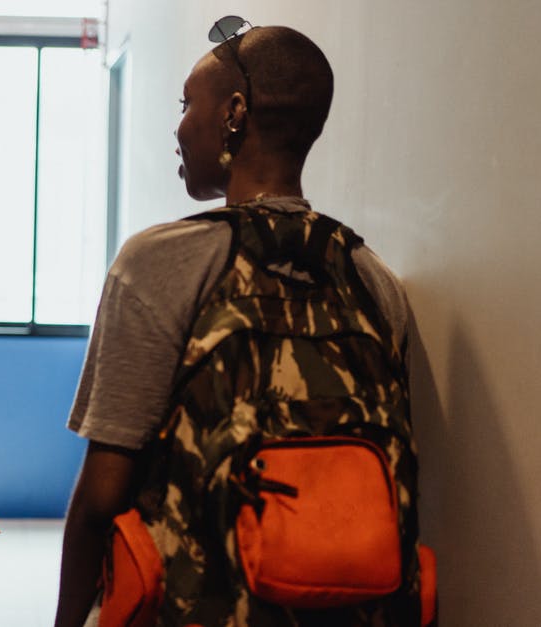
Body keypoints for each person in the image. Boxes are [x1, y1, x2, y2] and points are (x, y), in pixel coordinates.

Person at [55, 20, 421, 627]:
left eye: (186, 104)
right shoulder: (372, 279)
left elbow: (101, 498)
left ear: (234, 113)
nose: (177, 127)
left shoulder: (157, 262)